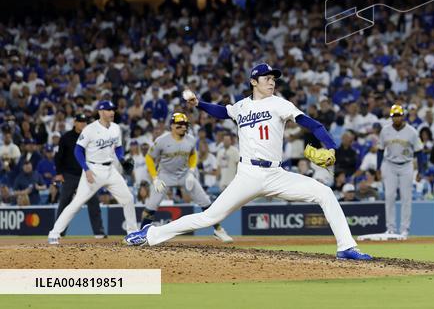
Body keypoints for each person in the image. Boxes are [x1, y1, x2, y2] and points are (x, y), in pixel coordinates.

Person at [124, 63, 371, 260]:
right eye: (266, 78)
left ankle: (346, 247)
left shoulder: (280, 103)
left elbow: (311, 123)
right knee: (209, 217)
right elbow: (223, 111)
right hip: (248, 175)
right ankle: (150, 233)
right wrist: (199, 104)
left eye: (273, 78)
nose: (272, 81)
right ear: (254, 81)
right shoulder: (241, 106)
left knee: (325, 193)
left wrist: (331, 146)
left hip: (276, 174)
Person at [47, 101, 137, 244]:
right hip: (93, 170)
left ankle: (132, 233)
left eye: (113, 109)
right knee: (77, 203)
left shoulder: (116, 128)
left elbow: (118, 148)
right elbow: (78, 150)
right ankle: (54, 233)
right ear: (101, 112)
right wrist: (86, 169)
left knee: (128, 199)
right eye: (108, 110)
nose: (112, 112)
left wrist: (121, 159)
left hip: (110, 169)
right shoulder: (90, 129)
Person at [140, 112, 233, 242]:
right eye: (180, 124)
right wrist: (155, 178)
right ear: (172, 125)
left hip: (184, 174)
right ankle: (141, 234)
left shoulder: (190, 139)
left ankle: (218, 230)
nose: (183, 127)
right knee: (151, 206)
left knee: (205, 202)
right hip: (165, 175)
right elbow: (149, 157)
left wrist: (191, 171)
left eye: (185, 124)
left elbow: (193, 155)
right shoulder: (162, 140)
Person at [52, 113, 105, 239]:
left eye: (84, 122)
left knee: (94, 203)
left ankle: (99, 232)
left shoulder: (90, 136)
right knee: (64, 203)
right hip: (70, 175)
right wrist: (59, 173)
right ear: (75, 122)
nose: (83, 124)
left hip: (87, 175)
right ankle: (58, 232)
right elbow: (58, 157)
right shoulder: (66, 138)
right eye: (80, 121)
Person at [378, 103, 419, 239]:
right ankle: (390, 228)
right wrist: (378, 168)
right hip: (389, 164)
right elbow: (380, 150)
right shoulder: (385, 130)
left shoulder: (412, 131)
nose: (396, 118)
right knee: (389, 196)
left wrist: (421, 171)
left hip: (407, 165)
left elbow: (420, 152)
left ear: (403, 116)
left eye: (398, 115)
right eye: (394, 116)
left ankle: (404, 229)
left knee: (406, 198)